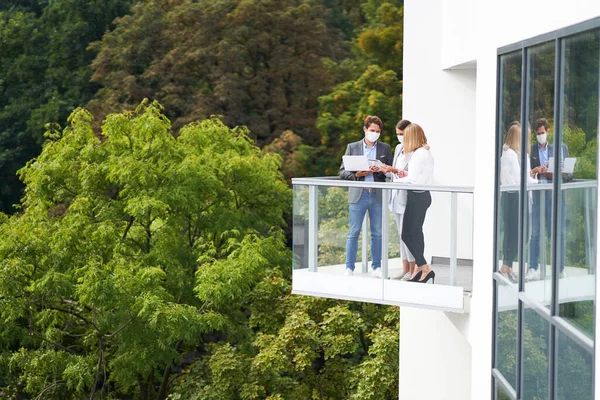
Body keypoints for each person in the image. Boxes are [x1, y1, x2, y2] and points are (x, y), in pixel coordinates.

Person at [339, 115, 394, 277]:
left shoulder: (385, 148)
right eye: (372, 130)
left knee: (377, 232)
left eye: (377, 131)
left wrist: (382, 170)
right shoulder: (353, 147)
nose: (374, 133)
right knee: (354, 231)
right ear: (365, 129)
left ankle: (377, 267)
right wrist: (357, 174)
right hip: (359, 195)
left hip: (377, 195)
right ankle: (349, 267)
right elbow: (342, 172)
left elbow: (391, 171)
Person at [526, 117, 572, 281]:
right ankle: (532, 267)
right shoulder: (531, 150)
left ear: (547, 132)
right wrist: (537, 170)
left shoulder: (558, 149)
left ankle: (560, 269)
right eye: (538, 134)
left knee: (558, 234)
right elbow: (526, 172)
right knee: (536, 233)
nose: (540, 136)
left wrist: (556, 172)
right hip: (539, 197)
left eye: (542, 133)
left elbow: (569, 175)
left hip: (555, 198)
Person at [393, 123, 435, 283]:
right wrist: (405, 175)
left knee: (407, 235)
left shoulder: (419, 154)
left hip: (417, 196)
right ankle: (421, 269)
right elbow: (416, 175)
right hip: (420, 195)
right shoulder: (424, 152)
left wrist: (395, 181)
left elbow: (413, 179)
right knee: (415, 233)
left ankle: (425, 268)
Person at [500, 122, 538, 283]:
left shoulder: (516, 154)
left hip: (514, 196)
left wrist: (532, 179)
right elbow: (520, 179)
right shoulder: (510, 155)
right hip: (513, 197)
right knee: (515, 234)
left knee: (513, 234)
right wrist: (536, 182)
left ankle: (507, 267)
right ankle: (506, 266)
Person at [380, 119, 416, 280]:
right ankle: (405, 268)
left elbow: (411, 175)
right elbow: (394, 174)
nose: (399, 137)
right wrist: (383, 169)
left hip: (407, 197)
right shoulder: (398, 148)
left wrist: (393, 169)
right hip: (395, 196)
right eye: (397, 134)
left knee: (408, 234)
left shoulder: (416, 151)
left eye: (401, 134)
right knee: (400, 234)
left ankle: (413, 269)